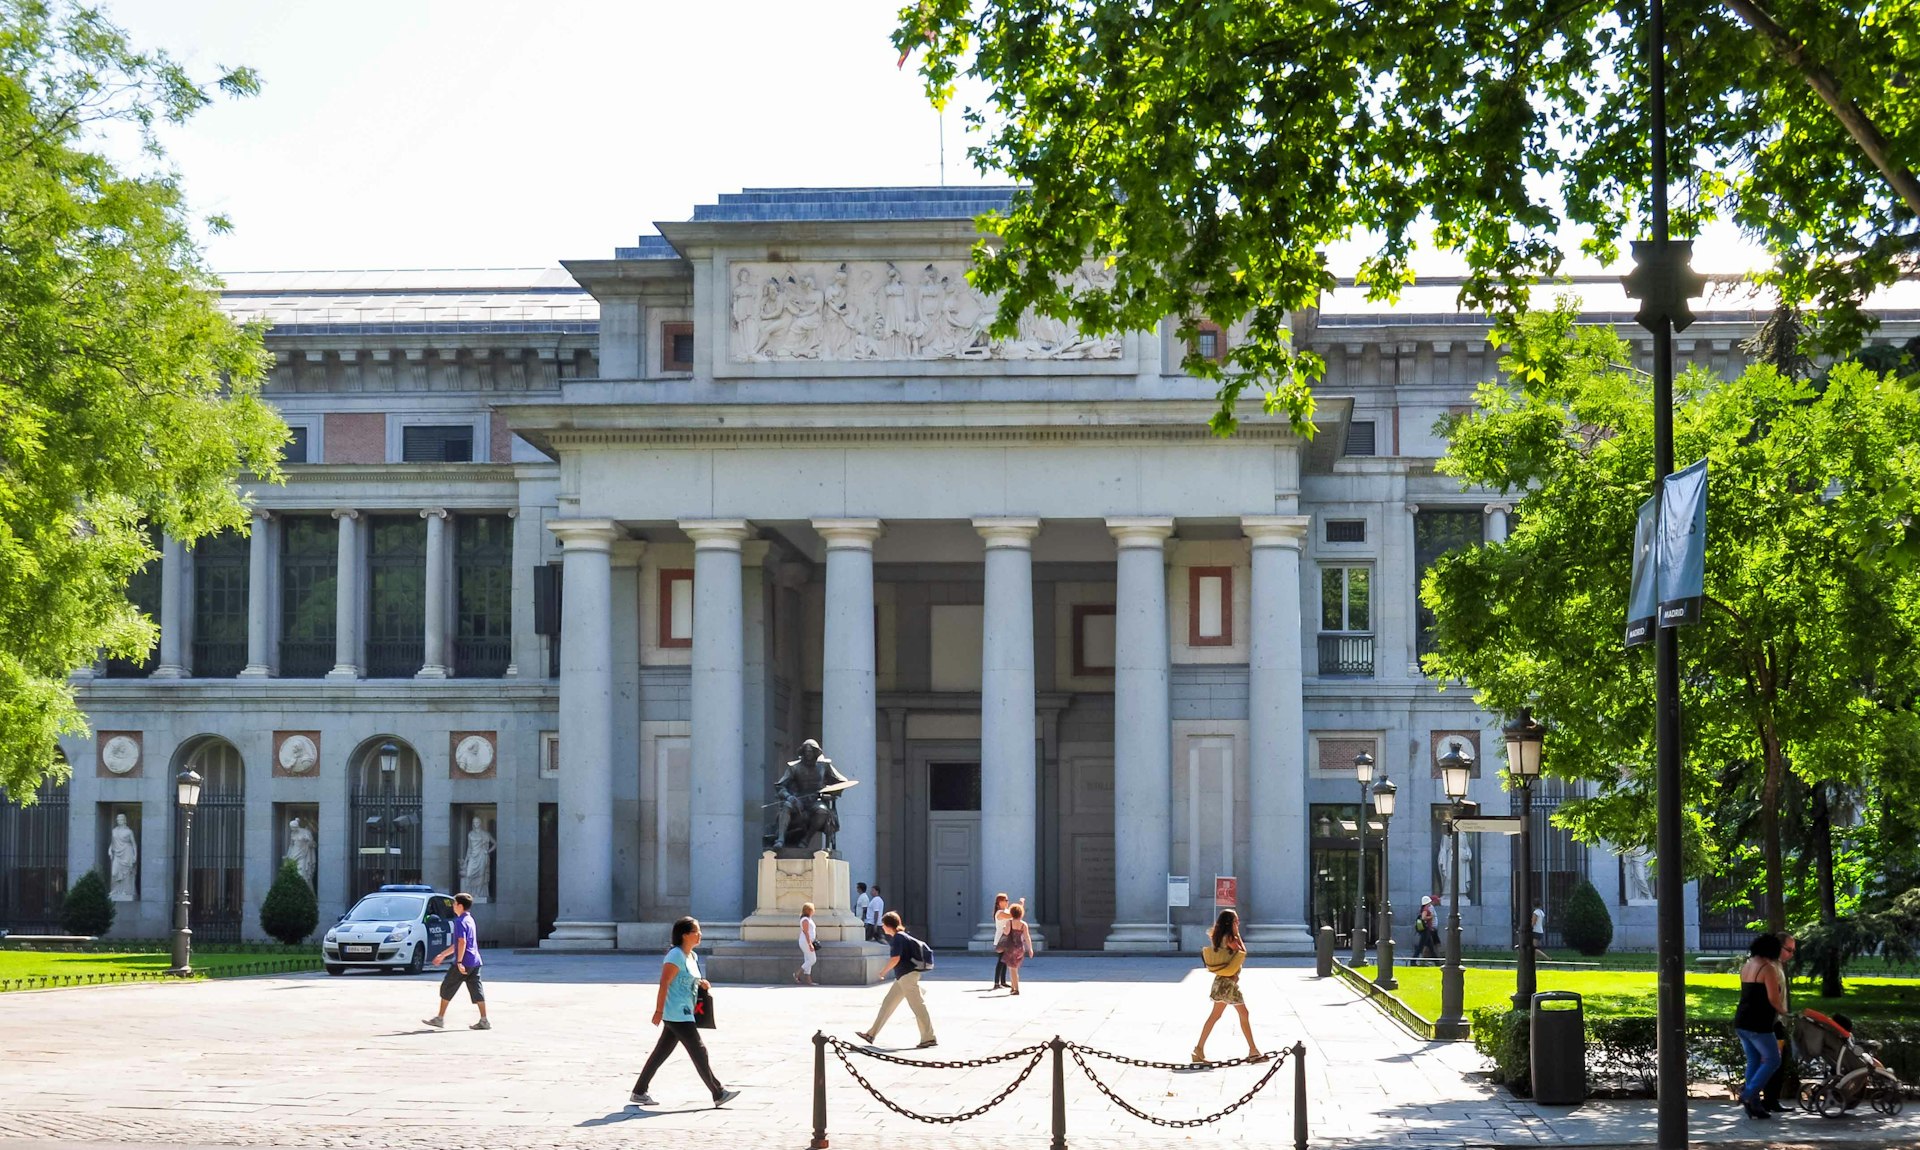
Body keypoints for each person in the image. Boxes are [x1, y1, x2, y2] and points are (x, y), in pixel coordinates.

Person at [631, 916, 740, 1109]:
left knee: (660, 1053)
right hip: (676, 1012)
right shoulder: (675, 956)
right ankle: (718, 1092)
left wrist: (701, 983)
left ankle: (639, 1091)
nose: (700, 935)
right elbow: (665, 982)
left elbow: (688, 979)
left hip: (686, 1010)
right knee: (699, 1051)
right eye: (696, 931)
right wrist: (658, 1010)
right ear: (684, 935)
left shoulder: (692, 956)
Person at [1193, 909, 1270, 1064]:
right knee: (1234, 1014)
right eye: (1236, 921)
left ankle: (1199, 1050)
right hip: (1227, 984)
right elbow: (1242, 952)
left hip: (1223, 982)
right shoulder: (1229, 937)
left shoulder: (1218, 936)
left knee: (1222, 1016)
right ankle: (1252, 1051)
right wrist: (1238, 934)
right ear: (1230, 923)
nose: (1238, 923)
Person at [855, 911, 937, 1049]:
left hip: (907, 977)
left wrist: (883, 971)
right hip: (903, 977)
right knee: (888, 1004)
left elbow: (895, 959)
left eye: (883, 925)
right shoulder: (902, 936)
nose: (882, 927)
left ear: (888, 925)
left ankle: (929, 1037)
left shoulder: (898, 938)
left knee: (918, 1006)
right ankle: (871, 1034)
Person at [1734, 933, 1788, 1120]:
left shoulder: (1747, 966)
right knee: (1773, 1059)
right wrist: (1784, 1011)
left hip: (1742, 1021)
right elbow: (1773, 998)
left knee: (1754, 1061)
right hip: (1759, 1023)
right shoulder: (1767, 968)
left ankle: (1754, 1105)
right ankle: (1748, 1094)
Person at [423, 892, 489, 1031]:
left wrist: (459, 962)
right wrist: (442, 954)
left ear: (460, 905)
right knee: (477, 990)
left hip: (463, 962)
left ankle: (439, 1018)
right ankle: (484, 1020)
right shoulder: (470, 920)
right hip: (475, 961)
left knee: (447, 987)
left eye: (454, 903)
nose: (453, 906)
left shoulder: (459, 922)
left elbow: (462, 942)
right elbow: (457, 944)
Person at [1761, 934, 1798, 1112]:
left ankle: (1769, 1099)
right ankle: (1766, 1099)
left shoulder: (1777, 965)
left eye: (1793, 950)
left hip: (1776, 1022)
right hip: (1771, 1022)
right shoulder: (1770, 967)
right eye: (1788, 950)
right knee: (1776, 1060)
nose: (1791, 954)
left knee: (1777, 1060)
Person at [998, 903, 1034, 995]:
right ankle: (1013, 987)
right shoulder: (1023, 924)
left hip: (1011, 947)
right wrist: (1030, 949)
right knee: (1014, 968)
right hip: (1020, 948)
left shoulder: (1009, 922)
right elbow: (1027, 937)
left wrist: (1004, 928)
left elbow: (1006, 933)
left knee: (1012, 968)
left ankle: (1016, 988)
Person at [990, 893, 1014, 990]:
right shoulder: (999, 913)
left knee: (1005, 961)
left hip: (1007, 939)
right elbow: (1012, 915)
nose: (1007, 902)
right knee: (1000, 961)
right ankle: (996, 982)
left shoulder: (1006, 911)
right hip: (1001, 939)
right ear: (1000, 902)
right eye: (1006, 900)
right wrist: (1020, 905)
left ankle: (1003, 981)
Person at [795, 901, 818, 986]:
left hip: (806, 941)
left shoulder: (807, 919)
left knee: (808, 960)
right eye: (812, 909)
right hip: (806, 942)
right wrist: (810, 944)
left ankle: (809, 980)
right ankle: (797, 973)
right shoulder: (805, 920)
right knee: (812, 960)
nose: (814, 911)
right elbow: (806, 932)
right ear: (809, 910)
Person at [1414, 896, 1439, 964]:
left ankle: (1437, 962)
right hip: (1426, 930)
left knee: (1431, 948)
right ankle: (1413, 961)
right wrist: (1431, 917)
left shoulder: (1424, 908)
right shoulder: (1426, 909)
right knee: (1420, 947)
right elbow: (1423, 917)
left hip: (1427, 930)